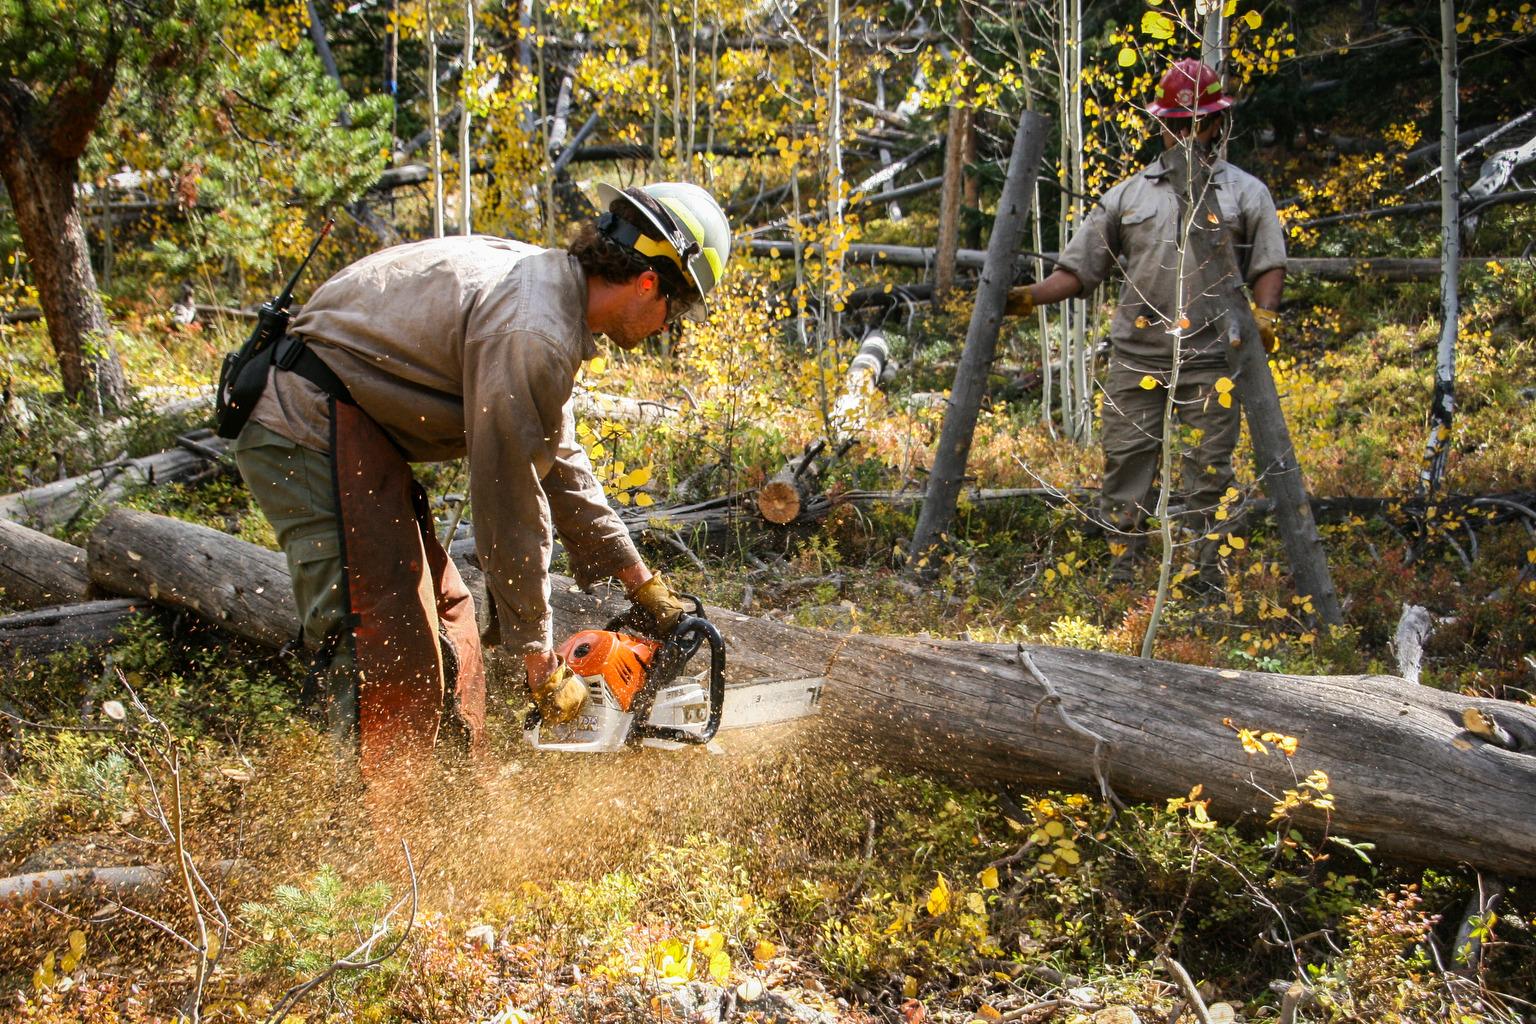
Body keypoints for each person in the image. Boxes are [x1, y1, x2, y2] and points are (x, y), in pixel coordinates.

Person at [232, 182, 731, 785]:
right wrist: (539, 657)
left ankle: (451, 809)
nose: (666, 326)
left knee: (450, 619)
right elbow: (509, 496)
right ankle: (369, 855)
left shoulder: (552, 304)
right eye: (674, 311)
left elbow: (559, 461)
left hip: (355, 430)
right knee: (384, 639)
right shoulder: (536, 330)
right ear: (649, 282)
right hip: (305, 423)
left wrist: (640, 583)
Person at [1006, 58, 1287, 590]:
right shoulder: (1128, 196)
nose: (1188, 133)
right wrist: (1026, 298)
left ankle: (1207, 574)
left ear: (1217, 123)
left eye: (1198, 122)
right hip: (1137, 357)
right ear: (1161, 124)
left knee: (1209, 471)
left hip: (1213, 361)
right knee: (1126, 465)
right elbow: (1079, 269)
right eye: (1178, 124)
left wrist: (1265, 316)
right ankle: (1124, 570)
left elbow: (1269, 263)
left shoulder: (1244, 193)